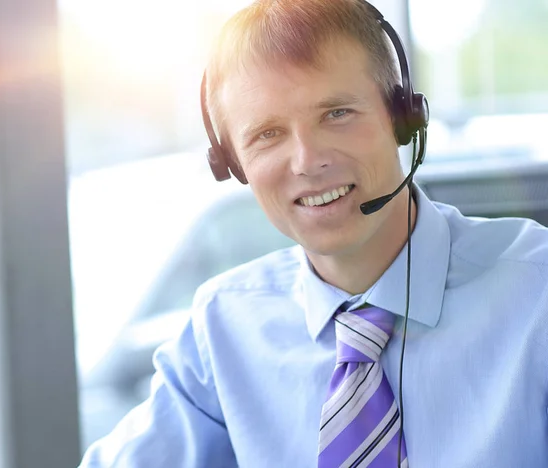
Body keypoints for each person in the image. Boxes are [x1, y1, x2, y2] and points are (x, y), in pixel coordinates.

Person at [79, 0, 548, 467]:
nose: (307, 160)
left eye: (337, 113)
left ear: (402, 117)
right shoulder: (221, 331)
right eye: (267, 134)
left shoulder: (536, 295)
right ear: (234, 166)